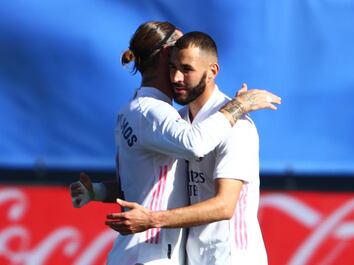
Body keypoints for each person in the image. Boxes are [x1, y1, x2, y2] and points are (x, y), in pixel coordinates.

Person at [70, 21, 280, 265]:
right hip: (158, 255)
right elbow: (194, 144)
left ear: (212, 71)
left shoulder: (234, 126)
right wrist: (239, 105)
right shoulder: (166, 118)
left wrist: (100, 191)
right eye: (173, 66)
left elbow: (224, 206)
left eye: (186, 68)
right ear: (165, 56)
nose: (177, 77)